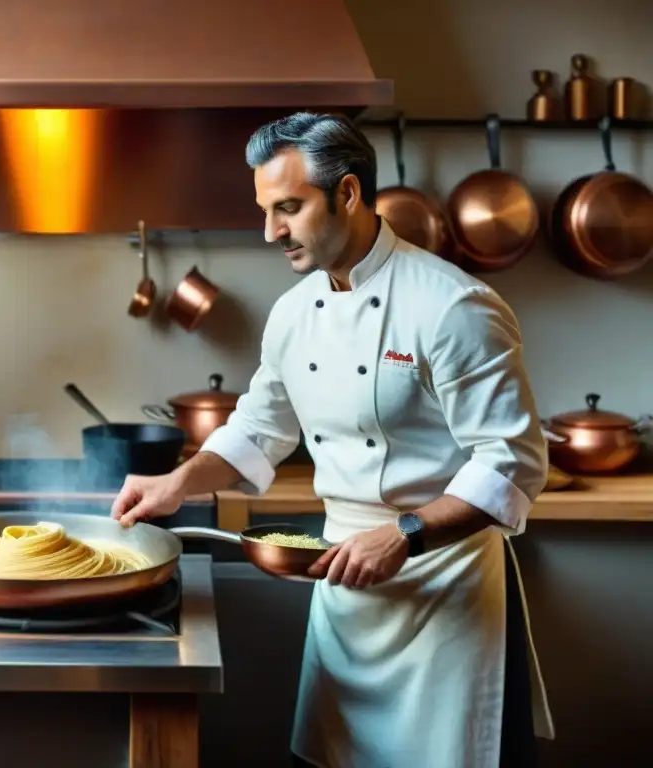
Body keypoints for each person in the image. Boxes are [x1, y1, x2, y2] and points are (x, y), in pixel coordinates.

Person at [111, 112, 555, 768]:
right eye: (267, 210)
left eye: (288, 208)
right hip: (345, 592)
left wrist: (403, 534)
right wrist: (178, 483)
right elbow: (258, 429)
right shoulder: (293, 313)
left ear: (347, 194)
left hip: (444, 595)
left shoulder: (453, 307)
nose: (271, 232)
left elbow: (512, 465)